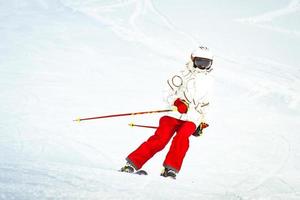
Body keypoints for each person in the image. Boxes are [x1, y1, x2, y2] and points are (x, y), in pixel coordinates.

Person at [120, 46, 214, 179]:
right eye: (200, 62)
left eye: (206, 63)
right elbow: (167, 92)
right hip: (173, 114)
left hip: (193, 118)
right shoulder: (181, 74)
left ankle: (170, 170)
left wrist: (203, 123)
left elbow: (206, 104)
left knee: (181, 139)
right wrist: (176, 102)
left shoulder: (209, 81)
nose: (202, 67)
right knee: (160, 139)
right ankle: (132, 164)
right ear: (193, 60)